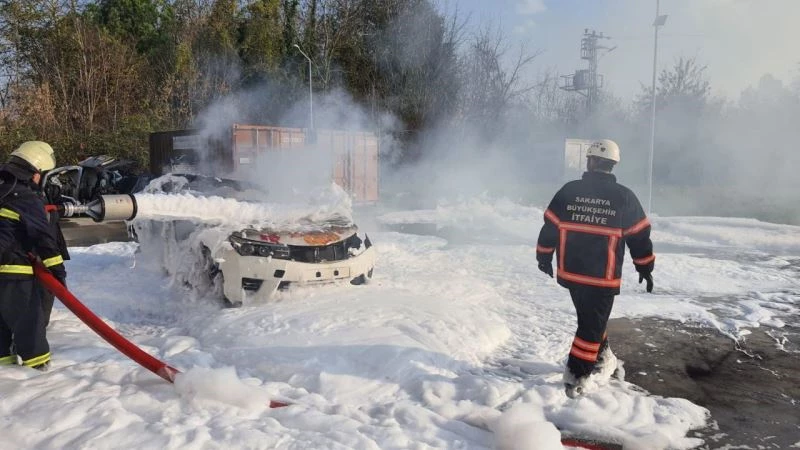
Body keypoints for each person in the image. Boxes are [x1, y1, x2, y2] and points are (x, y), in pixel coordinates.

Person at [535, 139, 654, 398]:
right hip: (602, 277)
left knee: (590, 320)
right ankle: (576, 377)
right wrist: (645, 266)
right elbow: (639, 235)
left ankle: (601, 356)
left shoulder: (569, 190)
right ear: (613, 165)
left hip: (571, 274)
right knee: (589, 327)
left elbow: (550, 227)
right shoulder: (624, 197)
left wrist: (544, 256)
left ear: (590, 161)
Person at [0, 141, 67, 371]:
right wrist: (58, 274)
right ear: (36, 172)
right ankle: (38, 375)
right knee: (30, 324)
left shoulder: (3, 188)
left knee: (1, 327)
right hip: (15, 273)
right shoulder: (26, 197)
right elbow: (44, 239)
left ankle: (7, 374)